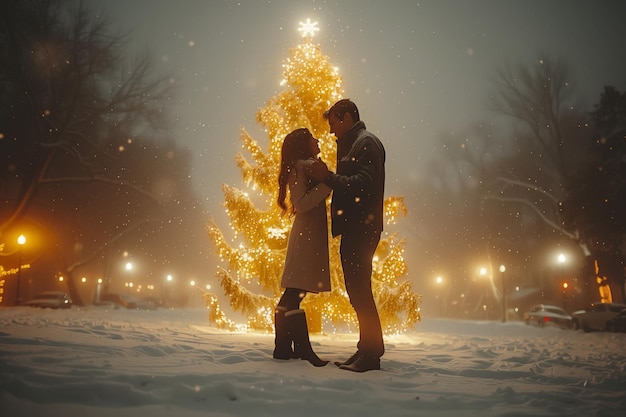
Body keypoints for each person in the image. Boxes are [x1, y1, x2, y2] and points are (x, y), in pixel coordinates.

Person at [306, 99, 385, 372]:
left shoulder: (366, 144)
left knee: (360, 291)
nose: (331, 132)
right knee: (358, 290)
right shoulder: (356, 143)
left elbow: (362, 185)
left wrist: (327, 176)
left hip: (361, 228)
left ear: (347, 117)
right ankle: (367, 349)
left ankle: (371, 354)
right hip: (357, 227)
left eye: (334, 124)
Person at [273, 127, 332, 367]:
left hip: (309, 235)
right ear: (303, 144)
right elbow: (301, 202)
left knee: (294, 293)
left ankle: (285, 348)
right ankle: (301, 350)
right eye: (312, 138)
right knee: (295, 291)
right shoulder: (300, 168)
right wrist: (327, 184)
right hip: (306, 237)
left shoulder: (307, 166)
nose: (317, 140)